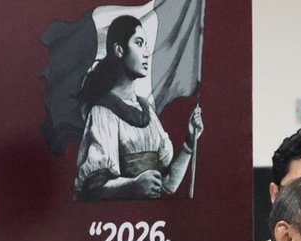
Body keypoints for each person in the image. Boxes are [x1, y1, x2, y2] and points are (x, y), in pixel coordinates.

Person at [74, 14, 204, 200]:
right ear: (119, 50)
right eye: (139, 43)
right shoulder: (103, 111)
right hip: (118, 222)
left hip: (151, 222)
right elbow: (93, 189)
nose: (146, 53)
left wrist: (190, 142)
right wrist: (133, 186)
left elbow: (167, 185)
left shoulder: (147, 110)